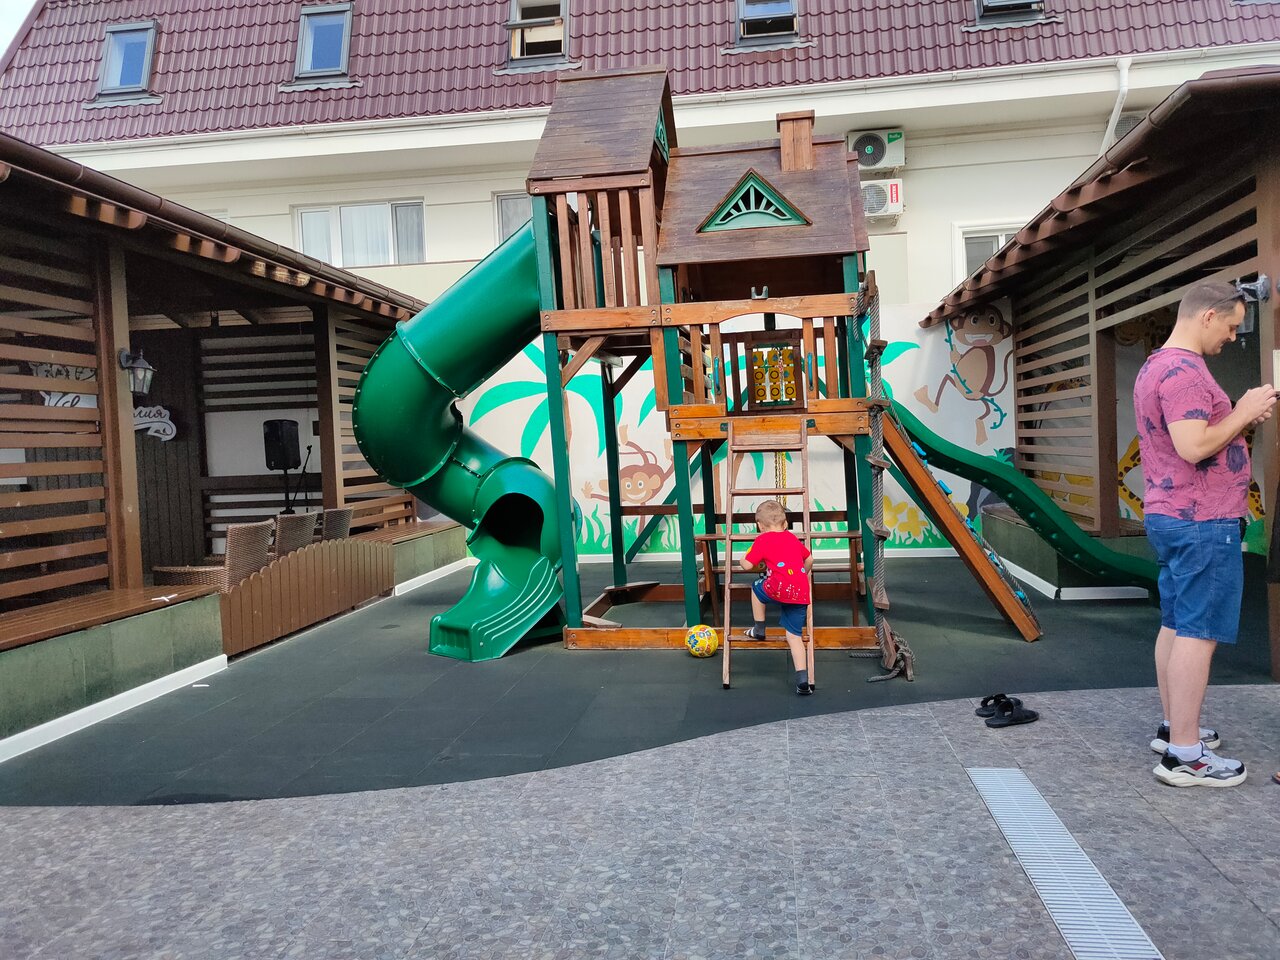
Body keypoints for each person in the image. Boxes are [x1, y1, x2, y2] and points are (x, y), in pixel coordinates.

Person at [1133, 280, 1276, 787]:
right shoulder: (1186, 373)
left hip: (1173, 516)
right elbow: (1193, 446)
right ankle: (1185, 756)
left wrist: (1237, 416)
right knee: (1199, 632)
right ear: (1208, 316)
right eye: (1232, 326)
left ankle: (1176, 729)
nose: (1234, 337)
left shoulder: (1156, 365)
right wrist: (1245, 412)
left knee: (1176, 623)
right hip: (1201, 521)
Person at [739, 499, 814, 695]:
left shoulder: (762, 540)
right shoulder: (792, 538)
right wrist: (802, 574)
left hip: (778, 588)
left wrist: (743, 558)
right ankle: (802, 679)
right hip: (800, 591)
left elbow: (747, 565)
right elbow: (809, 559)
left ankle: (759, 627)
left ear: (759, 525)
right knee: (794, 636)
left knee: (756, 588)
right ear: (786, 523)